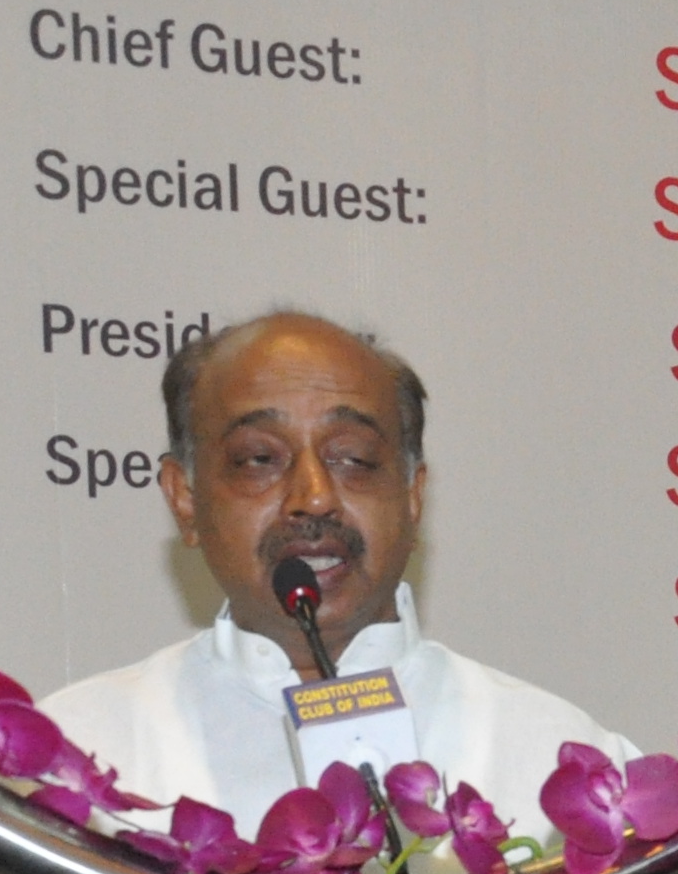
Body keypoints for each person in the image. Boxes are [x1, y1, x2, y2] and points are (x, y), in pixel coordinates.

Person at [36, 310, 631, 831]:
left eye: (354, 459)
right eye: (259, 459)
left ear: (413, 496)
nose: (314, 497)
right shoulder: (66, 761)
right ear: (184, 498)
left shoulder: (562, 765)